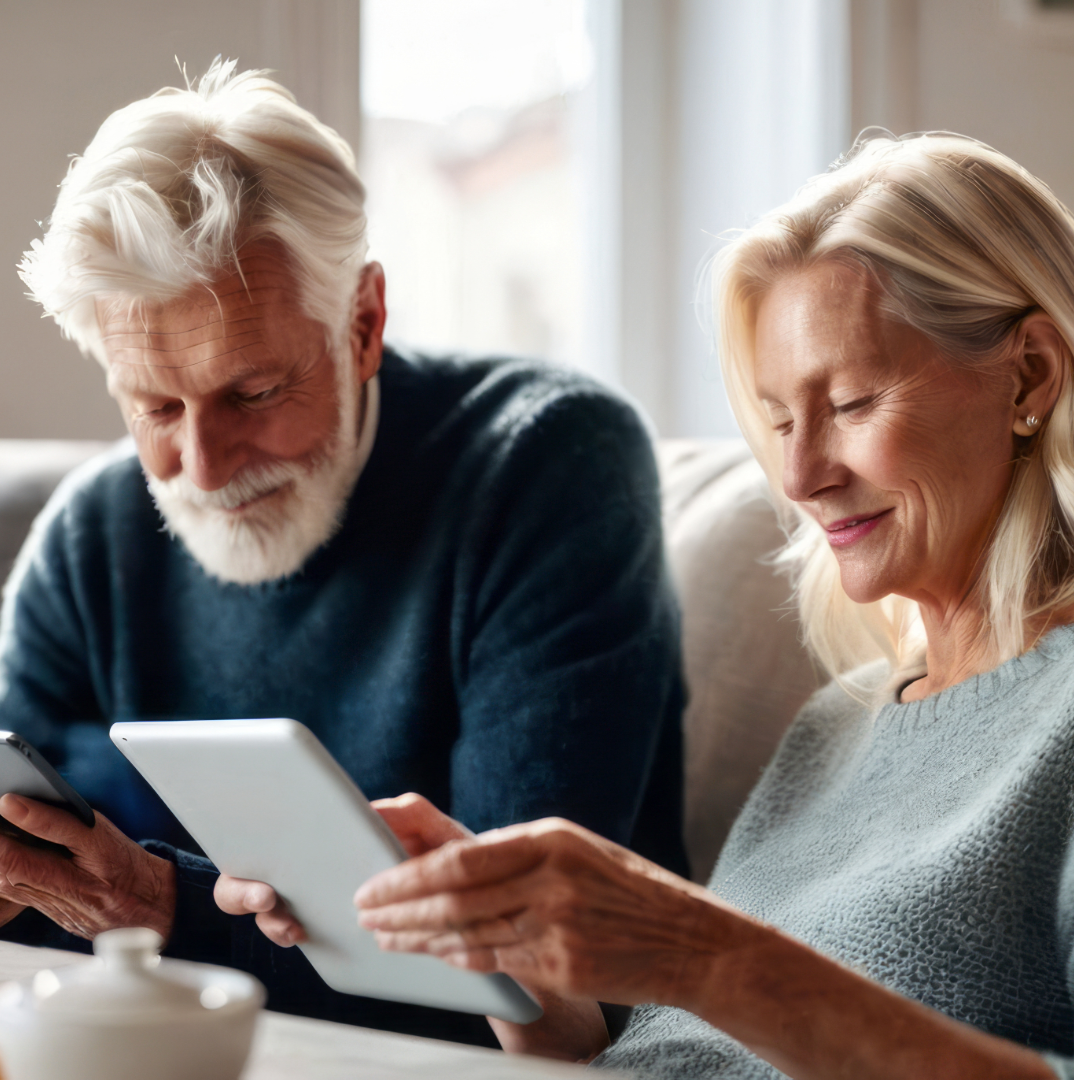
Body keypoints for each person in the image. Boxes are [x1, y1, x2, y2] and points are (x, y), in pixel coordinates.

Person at [223, 130, 1074, 1078]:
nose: (800, 475)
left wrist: (695, 952)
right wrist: (510, 960)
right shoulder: (837, 726)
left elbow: (719, 985)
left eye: (856, 403)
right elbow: (675, 1054)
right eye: (783, 420)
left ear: (1030, 375)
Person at [0, 59, 687, 1046]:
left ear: (363, 323)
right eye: (152, 405)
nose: (202, 464)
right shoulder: (94, 534)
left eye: (255, 393)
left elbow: (542, 971)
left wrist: (158, 910)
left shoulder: (546, 464)